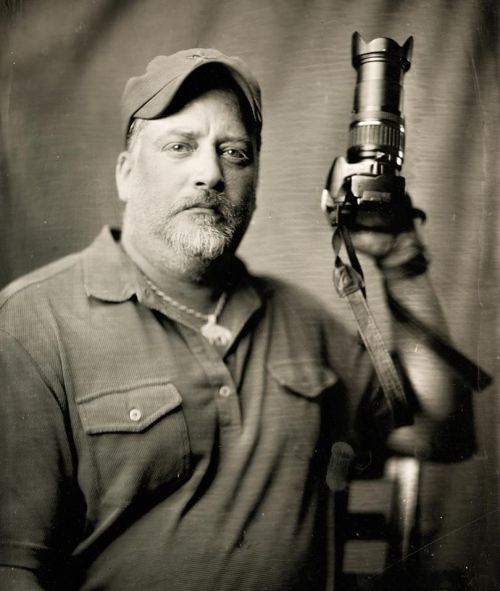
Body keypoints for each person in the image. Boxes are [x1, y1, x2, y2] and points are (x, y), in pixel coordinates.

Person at [0, 49, 475, 591]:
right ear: (126, 173)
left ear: (255, 185)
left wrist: (400, 262)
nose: (211, 173)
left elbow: (442, 433)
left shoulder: (304, 322)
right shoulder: (32, 325)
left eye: (235, 153)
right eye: (180, 146)